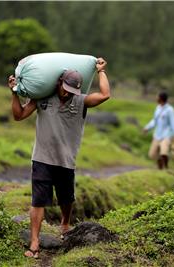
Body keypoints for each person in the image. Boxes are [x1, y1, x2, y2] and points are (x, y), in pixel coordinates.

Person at [7, 58, 110, 259]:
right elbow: (18, 116)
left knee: (66, 197)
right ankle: (35, 243)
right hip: (42, 158)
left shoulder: (81, 102)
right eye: (65, 89)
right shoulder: (42, 98)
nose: (67, 93)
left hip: (66, 160)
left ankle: (64, 223)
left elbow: (105, 95)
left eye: (72, 91)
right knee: (38, 200)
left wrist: (101, 72)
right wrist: (14, 93)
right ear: (59, 83)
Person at [143, 92, 174, 169]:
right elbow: (154, 121)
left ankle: (166, 166)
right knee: (152, 155)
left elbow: (173, 122)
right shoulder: (158, 108)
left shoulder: (170, 110)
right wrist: (147, 128)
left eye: (157, 97)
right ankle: (160, 166)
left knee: (163, 152)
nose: (156, 98)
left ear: (161, 99)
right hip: (157, 135)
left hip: (166, 135)